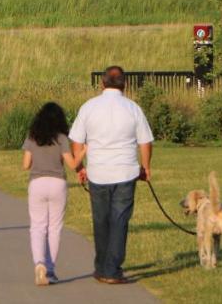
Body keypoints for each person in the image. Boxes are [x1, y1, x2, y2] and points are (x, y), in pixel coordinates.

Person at [68, 66, 154, 284]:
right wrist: (145, 167)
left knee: (101, 219)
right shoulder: (133, 108)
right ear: (124, 84)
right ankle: (112, 269)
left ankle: (101, 266)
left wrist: (80, 167)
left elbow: (76, 140)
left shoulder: (89, 107)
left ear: (102, 83)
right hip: (125, 171)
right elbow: (145, 141)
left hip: (98, 171)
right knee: (119, 220)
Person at [22, 102, 78, 287]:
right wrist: (84, 151)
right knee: (54, 228)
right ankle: (51, 269)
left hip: (37, 183)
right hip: (57, 183)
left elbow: (26, 164)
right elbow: (72, 165)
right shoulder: (61, 138)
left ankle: (39, 264)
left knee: (37, 227)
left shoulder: (33, 136)